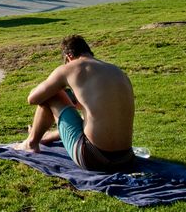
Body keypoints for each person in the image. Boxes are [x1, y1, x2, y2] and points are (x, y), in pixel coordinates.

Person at [16, 35, 136, 172]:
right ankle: (43, 138)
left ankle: (31, 143)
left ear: (68, 57)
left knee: (52, 93)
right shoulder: (116, 70)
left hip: (94, 159)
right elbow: (97, 120)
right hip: (126, 159)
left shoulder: (71, 68)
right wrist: (49, 136)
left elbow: (33, 99)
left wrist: (54, 87)